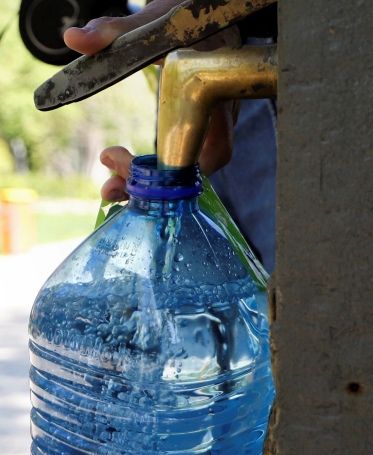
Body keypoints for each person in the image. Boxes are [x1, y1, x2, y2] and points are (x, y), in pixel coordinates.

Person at [65, 3, 278, 273]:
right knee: (191, 268)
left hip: (268, 56)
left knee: (301, 275)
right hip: (190, 67)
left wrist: (203, 11)